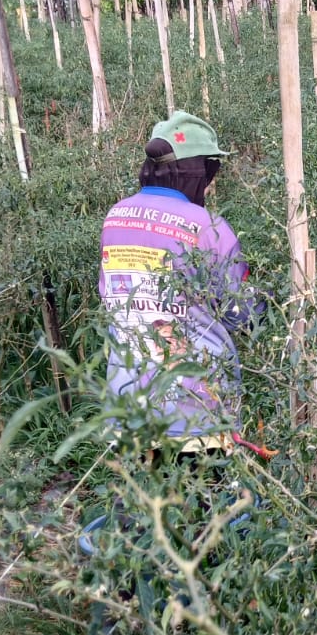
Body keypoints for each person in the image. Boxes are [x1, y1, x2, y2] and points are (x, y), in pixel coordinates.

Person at [97, 110, 270, 462]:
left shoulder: (115, 215)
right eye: (211, 172)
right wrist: (269, 302)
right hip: (196, 411)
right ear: (197, 172)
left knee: (142, 510)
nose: (211, 183)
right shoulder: (208, 227)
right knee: (207, 512)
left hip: (128, 404)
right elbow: (238, 314)